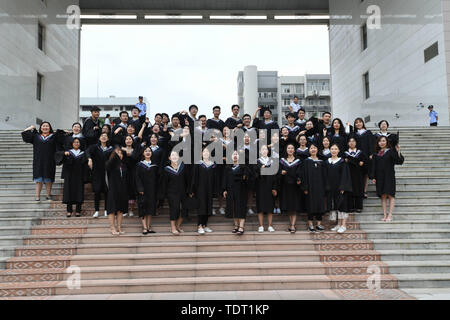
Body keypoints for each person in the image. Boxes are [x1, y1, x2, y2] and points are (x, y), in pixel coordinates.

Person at [22, 122, 63, 201]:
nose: (45, 127)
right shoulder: (36, 136)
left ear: (50, 128)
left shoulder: (53, 137)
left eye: (47, 126)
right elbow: (24, 133)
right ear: (40, 128)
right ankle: (37, 196)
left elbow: (62, 139)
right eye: (43, 126)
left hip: (50, 161)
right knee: (38, 179)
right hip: (38, 160)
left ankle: (48, 195)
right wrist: (30, 127)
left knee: (49, 179)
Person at [370, 136, 404, 222]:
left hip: (389, 176)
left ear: (386, 142)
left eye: (383, 141)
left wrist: (398, 151)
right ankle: (385, 215)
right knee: (383, 196)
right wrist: (373, 177)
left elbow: (399, 161)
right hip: (379, 177)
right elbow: (373, 167)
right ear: (378, 143)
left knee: (390, 195)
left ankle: (390, 215)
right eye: (380, 141)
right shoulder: (375, 154)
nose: (382, 143)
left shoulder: (391, 151)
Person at [160, 151, 189, 235]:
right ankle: (173, 227)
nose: (174, 156)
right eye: (172, 155)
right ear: (169, 158)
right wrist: (164, 194)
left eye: (176, 155)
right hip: (172, 192)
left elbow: (187, 180)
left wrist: (189, 190)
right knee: (174, 209)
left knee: (184, 210)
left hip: (183, 192)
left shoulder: (183, 167)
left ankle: (178, 225)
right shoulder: (166, 169)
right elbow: (164, 183)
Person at [57, 138, 88, 218]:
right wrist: (64, 153)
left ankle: (78, 210)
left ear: (80, 144)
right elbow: (58, 157)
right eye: (74, 142)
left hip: (79, 175)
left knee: (79, 192)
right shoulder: (68, 152)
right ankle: (69, 210)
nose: (76, 143)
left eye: (78, 142)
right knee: (68, 192)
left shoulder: (83, 153)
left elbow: (85, 166)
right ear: (72, 143)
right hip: (69, 175)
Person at [222, 151, 251, 236]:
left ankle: (241, 226)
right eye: (233, 154)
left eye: (237, 154)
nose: (235, 156)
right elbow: (225, 179)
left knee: (241, 207)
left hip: (241, 190)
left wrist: (246, 177)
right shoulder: (228, 167)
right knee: (234, 207)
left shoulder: (244, 167)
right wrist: (224, 189)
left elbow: (248, 178)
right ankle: (236, 225)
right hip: (231, 190)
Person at [326, 144, 353, 233]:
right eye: (332, 149)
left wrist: (343, 187)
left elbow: (345, 175)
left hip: (340, 187)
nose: (333, 150)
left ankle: (343, 225)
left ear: (338, 151)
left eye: (335, 149)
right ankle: (338, 224)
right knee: (336, 206)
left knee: (342, 205)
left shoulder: (342, 162)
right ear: (330, 150)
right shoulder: (327, 162)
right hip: (331, 187)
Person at [302, 143, 327, 233]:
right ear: (309, 150)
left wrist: (325, 187)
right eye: (311, 148)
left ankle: (319, 224)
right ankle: (310, 225)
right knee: (310, 205)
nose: (313, 149)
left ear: (317, 149)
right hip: (310, 187)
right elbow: (304, 175)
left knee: (320, 205)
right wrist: (305, 187)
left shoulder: (322, 162)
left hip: (320, 187)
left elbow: (325, 176)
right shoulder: (306, 161)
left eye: (315, 148)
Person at [87, 132, 113, 218]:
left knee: (106, 192)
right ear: (99, 138)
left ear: (108, 139)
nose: (104, 137)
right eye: (102, 136)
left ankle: (106, 210)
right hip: (97, 172)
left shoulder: (110, 148)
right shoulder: (94, 147)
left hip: (107, 173)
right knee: (97, 191)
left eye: (106, 136)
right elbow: (87, 152)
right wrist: (89, 159)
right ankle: (97, 210)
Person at [191, 148, 216, 234]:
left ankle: (205, 225)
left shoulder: (212, 165)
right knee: (202, 207)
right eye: (204, 151)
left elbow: (215, 178)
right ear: (201, 153)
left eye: (207, 152)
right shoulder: (198, 164)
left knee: (208, 206)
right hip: (200, 189)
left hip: (209, 189)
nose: (206, 153)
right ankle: (199, 226)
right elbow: (194, 178)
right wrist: (193, 190)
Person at [278, 144, 302, 233]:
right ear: (286, 149)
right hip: (285, 186)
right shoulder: (282, 161)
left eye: (292, 148)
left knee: (294, 205)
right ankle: (291, 223)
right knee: (289, 205)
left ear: (294, 150)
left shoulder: (298, 161)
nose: (290, 149)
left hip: (295, 186)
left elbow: (300, 172)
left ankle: (292, 225)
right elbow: (279, 171)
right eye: (289, 148)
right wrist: (281, 172)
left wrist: (299, 178)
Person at [135, 146, 159, 235]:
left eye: (149, 151)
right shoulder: (139, 165)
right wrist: (140, 188)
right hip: (143, 190)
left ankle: (148, 227)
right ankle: (144, 227)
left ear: (151, 153)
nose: (148, 152)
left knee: (150, 209)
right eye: (146, 151)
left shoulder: (155, 165)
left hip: (152, 190)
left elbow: (157, 178)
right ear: (143, 153)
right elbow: (137, 178)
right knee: (143, 208)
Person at [349, 118, 375, 198]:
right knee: (358, 174)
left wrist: (371, 153)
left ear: (363, 123)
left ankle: (364, 191)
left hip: (366, 155)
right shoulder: (354, 134)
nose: (358, 124)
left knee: (366, 174)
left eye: (360, 122)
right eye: (356, 123)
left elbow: (371, 143)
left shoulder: (368, 133)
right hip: (357, 156)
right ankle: (358, 190)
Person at [105, 147, 128, 236]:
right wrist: (115, 154)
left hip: (122, 190)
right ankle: (112, 227)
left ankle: (119, 227)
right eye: (118, 153)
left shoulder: (124, 165)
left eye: (121, 153)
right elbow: (108, 166)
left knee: (120, 209)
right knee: (112, 209)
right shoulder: (110, 164)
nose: (120, 155)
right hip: (113, 189)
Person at [255, 145, 277, 233]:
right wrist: (260, 170)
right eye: (262, 149)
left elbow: (275, 175)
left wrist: (274, 187)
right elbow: (254, 175)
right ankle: (261, 226)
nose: (264, 151)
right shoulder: (257, 162)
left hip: (270, 186)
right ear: (260, 151)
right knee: (260, 206)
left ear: (268, 151)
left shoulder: (272, 161)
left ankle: (270, 225)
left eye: (266, 149)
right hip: (260, 186)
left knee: (270, 206)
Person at [344, 137, 367, 213]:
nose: (351, 143)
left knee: (359, 189)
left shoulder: (361, 153)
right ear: (347, 143)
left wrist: (362, 163)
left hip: (359, 175)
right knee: (349, 190)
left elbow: (365, 163)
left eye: (353, 141)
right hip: (349, 175)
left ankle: (359, 206)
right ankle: (350, 207)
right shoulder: (344, 154)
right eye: (350, 141)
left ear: (356, 143)